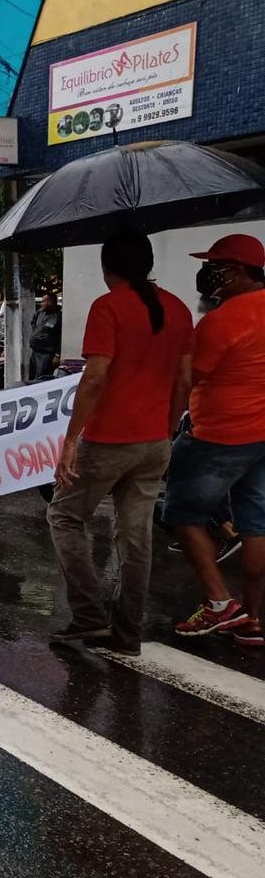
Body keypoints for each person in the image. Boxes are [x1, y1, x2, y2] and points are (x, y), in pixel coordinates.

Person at [46, 233, 193, 656]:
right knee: (136, 536)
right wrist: (166, 429)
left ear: (107, 267)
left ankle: (89, 616)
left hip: (108, 440)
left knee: (65, 517)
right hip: (155, 442)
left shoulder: (107, 307)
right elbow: (184, 379)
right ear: (146, 264)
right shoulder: (179, 309)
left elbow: (95, 376)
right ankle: (128, 631)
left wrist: (71, 440)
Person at [164, 233, 265, 647]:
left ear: (239, 272)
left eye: (216, 267)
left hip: (218, 435)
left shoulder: (222, 321)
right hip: (261, 435)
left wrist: (167, 423)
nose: (208, 275)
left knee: (182, 514)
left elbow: (191, 377)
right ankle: (253, 618)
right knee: (256, 524)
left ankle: (221, 604)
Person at [29, 292, 62, 379]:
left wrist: (57, 355)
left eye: (44, 301)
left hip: (46, 354)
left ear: (51, 302)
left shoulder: (58, 316)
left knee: (41, 378)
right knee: (32, 377)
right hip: (35, 351)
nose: (41, 303)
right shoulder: (39, 313)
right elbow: (33, 324)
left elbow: (60, 337)